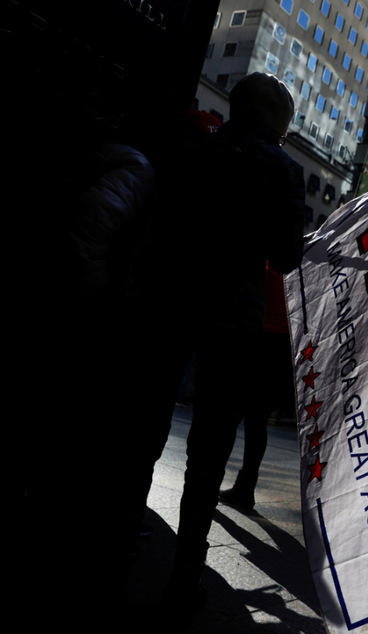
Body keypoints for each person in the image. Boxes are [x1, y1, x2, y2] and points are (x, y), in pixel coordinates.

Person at [128, 72, 305, 616]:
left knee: (146, 421)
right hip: (234, 320)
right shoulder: (283, 170)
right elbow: (287, 255)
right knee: (209, 450)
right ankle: (186, 574)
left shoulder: (191, 152)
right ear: (278, 122)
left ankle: (123, 526)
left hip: (171, 302)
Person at [218, 266, 296, 511]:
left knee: (230, 417)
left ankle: (214, 482)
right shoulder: (297, 257)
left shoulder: (263, 257)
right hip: (282, 342)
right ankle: (246, 485)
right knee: (257, 420)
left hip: (255, 335)